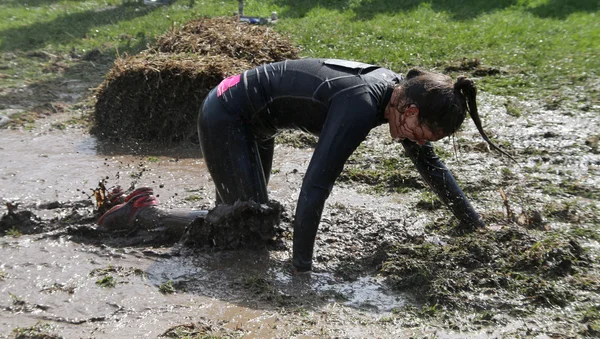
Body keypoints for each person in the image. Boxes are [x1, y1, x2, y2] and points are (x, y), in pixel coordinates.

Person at [99, 58, 514, 273]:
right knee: (245, 225)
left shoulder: (396, 96)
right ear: (408, 109)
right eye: (421, 133)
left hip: (252, 120)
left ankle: (152, 212)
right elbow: (315, 187)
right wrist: (302, 268)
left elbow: (432, 169)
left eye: (428, 140)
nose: (419, 144)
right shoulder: (359, 106)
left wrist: (472, 225)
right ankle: (143, 213)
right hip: (227, 112)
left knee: (246, 216)